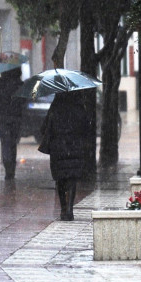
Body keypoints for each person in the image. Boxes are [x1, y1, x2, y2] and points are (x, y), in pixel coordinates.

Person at [39, 91, 92, 221]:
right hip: (75, 147)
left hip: (58, 148)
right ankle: (69, 209)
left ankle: (63, 209)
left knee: (60, 179)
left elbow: (43, 128)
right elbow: (87, 128)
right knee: (72, 179)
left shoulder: (55, 107)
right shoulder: (79, 107)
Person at [0, 67, 24, 179]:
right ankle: (11, 169)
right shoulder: (19, 84)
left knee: (6, 142)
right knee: (13, 143)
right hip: (16, 117)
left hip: (2, 117)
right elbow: (24, 99)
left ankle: (8, 168)